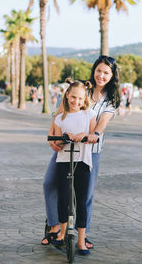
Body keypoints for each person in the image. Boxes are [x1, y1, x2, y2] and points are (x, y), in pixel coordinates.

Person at [42, 55, 121, 248]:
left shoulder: (112, 98)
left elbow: (103, 122)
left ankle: (81, 235)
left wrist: (94, 134)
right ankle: (54, 227)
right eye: (99, 71)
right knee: (49, 183)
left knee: (85, 195)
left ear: (112, 75)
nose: (101, 75)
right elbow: (61, 110)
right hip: (66, 146)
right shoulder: (83, 87)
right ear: (94, 70)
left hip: (90, 149)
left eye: (106, 72)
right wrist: (53, 132)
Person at [52, 80, 96, 255]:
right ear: (67, 96)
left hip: (82, 162)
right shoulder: (59, 118)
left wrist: (84, 135)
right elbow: (55, 141)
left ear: (84, 99)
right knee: (63, 197)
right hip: (63, 161)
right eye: (73, 97)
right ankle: (63, 232)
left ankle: (81, 240)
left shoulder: (88, 115)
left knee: (81, 200)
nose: (76, 101)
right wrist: (65, 137)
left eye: (79, 98)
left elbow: (94, 135)